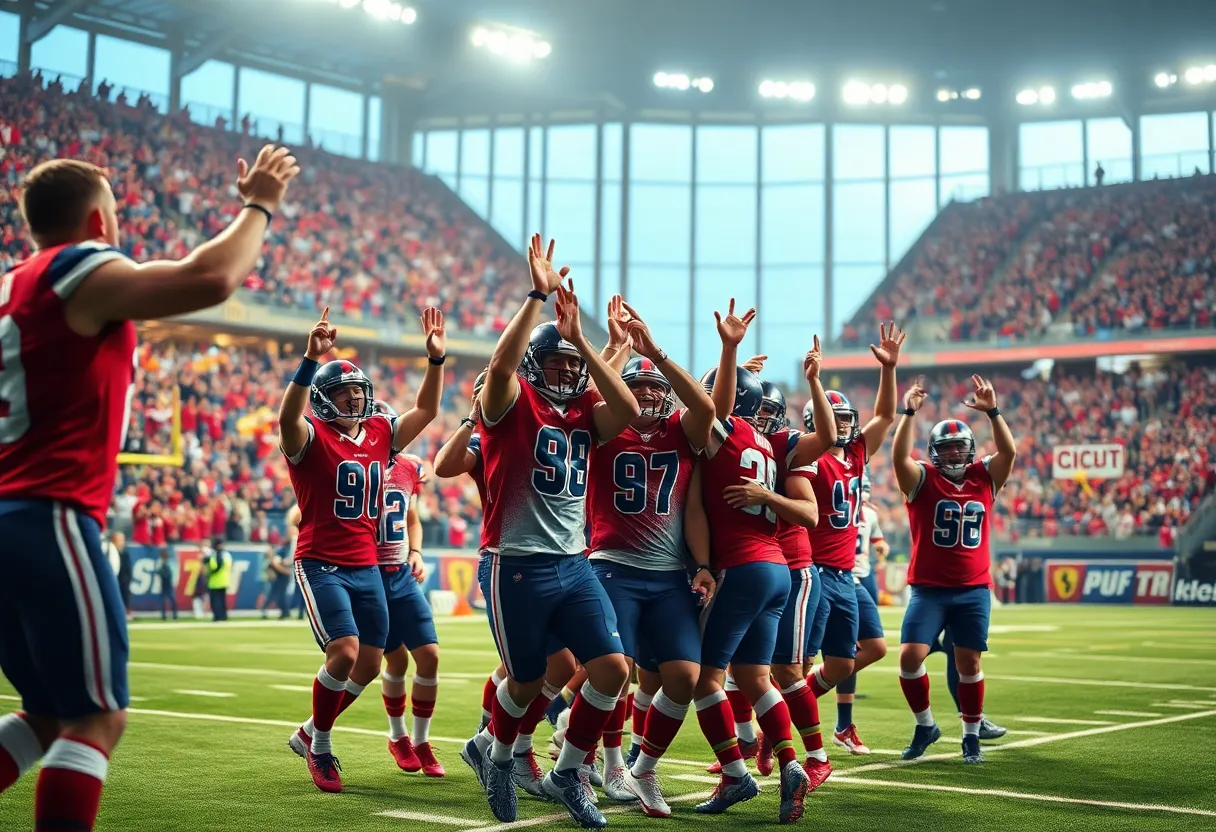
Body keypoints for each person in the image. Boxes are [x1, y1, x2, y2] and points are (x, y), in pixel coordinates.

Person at [0, 144, 298, 831]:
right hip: (48, 513)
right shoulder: (75, 268)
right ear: (100, 222)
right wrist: (260, 205)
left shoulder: (12, 283)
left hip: (11, 510)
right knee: (97, 717)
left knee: (45, 712)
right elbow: (213, 277)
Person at [463, 236, 638, 829]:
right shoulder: (509, 404)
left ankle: (567, 770)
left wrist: (588, 345)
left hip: (573, 561)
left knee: (612, 670)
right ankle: (502, 757)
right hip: (515, 561)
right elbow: (502, 366)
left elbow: (629, 411)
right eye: (558, 364)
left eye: (574, 368)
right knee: (528, 678)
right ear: (537, 368)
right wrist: (537, 296)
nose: (568, 374)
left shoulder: (584, 411)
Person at [279, 303, 447, 793]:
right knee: (345, 652)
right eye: (345, 394)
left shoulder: (378, 434)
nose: (354, 400)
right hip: (321, 561)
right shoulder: (308, 436)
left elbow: (427, 411)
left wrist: (434, 362)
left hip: (367, 564)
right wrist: (310, 361)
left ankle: (309, 730)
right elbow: (289, 413)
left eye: (359, 393)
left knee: (370, 665)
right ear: (325, 399)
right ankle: (323, 745)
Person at [580, 301, 717, 816]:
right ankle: (607, 760)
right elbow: (594, 394)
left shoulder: (683, 431)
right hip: (611, 564)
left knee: (682, 676)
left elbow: (703, 408)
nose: (650, 397)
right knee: (614, 670)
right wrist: (617, 353)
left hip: (667, 575)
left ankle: (642, 768)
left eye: (656, 389)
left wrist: (655, 354)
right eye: (639, 389)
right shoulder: (603, 430)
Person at [693, 301, 816, 825]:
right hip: (777, 570)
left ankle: (735, 774)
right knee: (757, 677)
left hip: (741, 569)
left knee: (706, 681)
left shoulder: (725, 435)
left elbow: (708, 408)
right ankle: (791, 762)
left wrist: (728, 349)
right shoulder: (766, 442)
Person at [892, 374, 1016, 764]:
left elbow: (1008, 453)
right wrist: (907, 414)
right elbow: (898, 458)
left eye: (960, 449)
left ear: (971, 450)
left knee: (969, 663)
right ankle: (925, 725)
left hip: (973, 588)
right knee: (910, 657)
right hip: (929, 588)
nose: (954, 456)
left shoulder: (983, 476)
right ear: (933, 453)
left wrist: (994, 412)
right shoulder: (922, 478)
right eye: (946, 450)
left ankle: (971, 738)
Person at [727, 353, 836, 791]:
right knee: (739, 668)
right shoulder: (730, 437)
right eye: (754, 408)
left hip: (790, 567)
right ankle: (752, 741)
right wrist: (732, 372)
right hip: (745, 565)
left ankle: (817, 756)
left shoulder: (786, 447)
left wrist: (814, 382)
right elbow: (699, 407)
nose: (761, 419)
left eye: (770, 412)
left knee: (788, 671)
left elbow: (810, 510)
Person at [797, 322, 904, 768]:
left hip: (847, 573)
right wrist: (816, 382)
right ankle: (777, 734)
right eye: (834, 419)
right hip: (816, 570)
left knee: (842, 664)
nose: (842, 426)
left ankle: (779, 718)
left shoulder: (857, 454)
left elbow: (885, 417)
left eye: (846, 420)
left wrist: (889, 370)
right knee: (796, 665)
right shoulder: (808, 456)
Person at [832, 474, 890, 755]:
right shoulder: (832, 503)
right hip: (830, 576)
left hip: (858, 577)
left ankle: (843, 724)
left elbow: (876, 538)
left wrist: (882, 547)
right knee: (799, 663)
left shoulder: (867, 512)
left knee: (865, 648)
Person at [260, 540, 293, 620]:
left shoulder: (281, 553)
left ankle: (285, 612)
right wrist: (287, 572)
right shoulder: (278, 554)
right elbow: (274, 566)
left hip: (280, 578)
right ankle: (284, 612)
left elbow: (278, 565)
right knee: (275, 595)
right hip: (277, 578)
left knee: (278, 595)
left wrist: (287, 572)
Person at [104, 531, 133, 621]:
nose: (122, 542)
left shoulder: (125, 553)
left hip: (124, 580)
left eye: (122, 540)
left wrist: (128, 578)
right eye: (120, 540)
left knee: (125, 596)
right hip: (114, 579)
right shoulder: (110, 551)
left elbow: (128, 568)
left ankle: (125, 612)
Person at [205, 538, 232, 622]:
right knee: (222, 600)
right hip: (224, 580)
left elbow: (216, 566)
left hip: (215, 581)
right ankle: (223, 616)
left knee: (215, 601)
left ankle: (217, 617)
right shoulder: (227, 554)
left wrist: (211, 572)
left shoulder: (215, 555)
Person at [156, 546, 178, 621]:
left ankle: (171, 614)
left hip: (167, 584)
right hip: (165, 584)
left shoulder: (168, 563)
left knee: (168, 600)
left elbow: (159, 572)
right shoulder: (161, 562)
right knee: (166, 600)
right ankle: (166, 615)